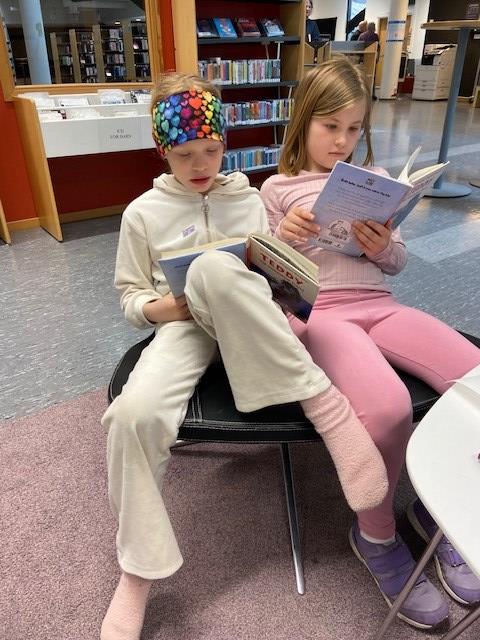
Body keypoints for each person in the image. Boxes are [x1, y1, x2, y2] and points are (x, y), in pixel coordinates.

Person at [100, 71, 390, 640]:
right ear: (162, 151)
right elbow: (131, 298)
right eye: (185, 155)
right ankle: (137, 571)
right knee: (131, 416)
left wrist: (281, 273)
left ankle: (326, 410)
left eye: (211, 151)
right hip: (184, 330)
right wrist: (166, 307)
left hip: (252, 325)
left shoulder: (249, 197)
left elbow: (275, 282)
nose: (201, 165)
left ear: (224, 143)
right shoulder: (142, 214)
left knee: (217, 267)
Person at [260, 56, 480, 631]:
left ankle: (440, 509)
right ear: (303, 121)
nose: (342, 140)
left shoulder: (373, 180)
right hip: (322, 315)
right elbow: (262, 279)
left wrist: (382, 244)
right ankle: (376, 536)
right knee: (386, 408)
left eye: (354, 127)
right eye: (330, 125)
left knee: (476, 378)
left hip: (381, 306)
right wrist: (282, 236)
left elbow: (398, 264)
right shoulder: (276, 188)